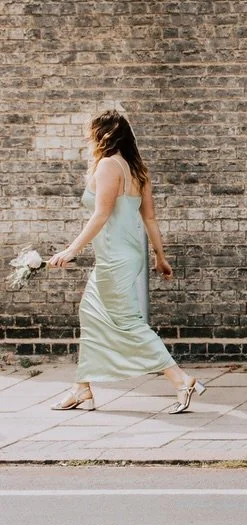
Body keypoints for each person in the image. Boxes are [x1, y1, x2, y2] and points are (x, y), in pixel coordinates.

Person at [47, 110, 205, 414]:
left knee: (127, 322)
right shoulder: (137, 168)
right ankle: (82, 389)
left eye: (91, 132)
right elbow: (150, 218)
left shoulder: (109, 165)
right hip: (127, 254)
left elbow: (102, 214)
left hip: (115, 257)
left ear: (102, 135)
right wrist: (160, 257)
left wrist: (72, 250)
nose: (87, 137)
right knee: (90, 313)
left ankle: (181, 380)